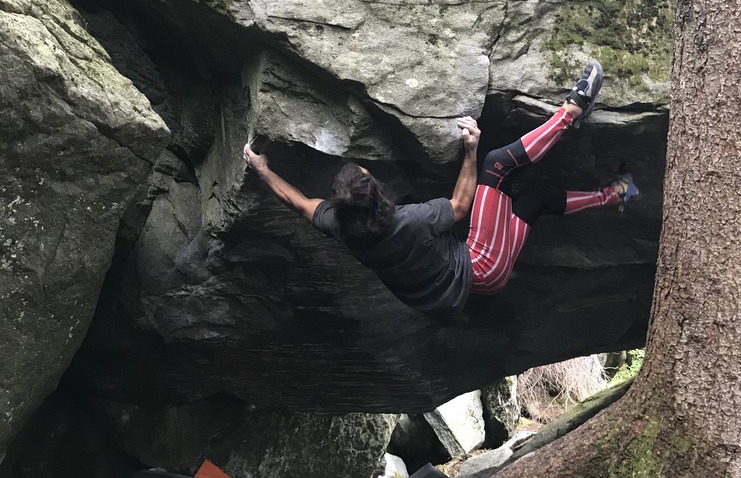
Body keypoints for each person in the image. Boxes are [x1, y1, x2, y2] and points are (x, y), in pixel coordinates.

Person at [242, 60, 637, 323]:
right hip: (482, 264)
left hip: (475, 285)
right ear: (378, 195)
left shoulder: (340, 226)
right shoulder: (410, 220)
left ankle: (619, 193)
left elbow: (298, 203)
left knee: (534, 199)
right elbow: (461, 205)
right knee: (497, 163)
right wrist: (470, 149)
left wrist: (263, 170)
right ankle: (571, 113)